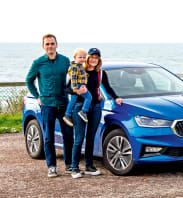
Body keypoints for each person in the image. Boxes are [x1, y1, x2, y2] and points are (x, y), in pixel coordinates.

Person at [69, 48, 122, 178]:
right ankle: (74, 167)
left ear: (99, 59)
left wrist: (116, 97)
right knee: (79, 138)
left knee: (91, 137)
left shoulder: (101, 73)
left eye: (96, 57)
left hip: (96, 107)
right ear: (87, 58)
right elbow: (67, 88)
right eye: (91, 57)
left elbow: (108, 88)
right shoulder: (81, 70)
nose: (94, 59)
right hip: (80, 107)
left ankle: (89, 166)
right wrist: (76, 91)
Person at [25, 34, 73, 178]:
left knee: (68, 135)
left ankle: (69, 165)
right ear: (43, 46)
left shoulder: (65, 61)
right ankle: (51, 166)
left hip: (64, 103)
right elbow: (29, 80)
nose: (50, 46)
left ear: (56, 45)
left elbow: (73, 77)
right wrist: (37, 96)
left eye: (52, 43)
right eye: (47, 44)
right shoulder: (38, 63)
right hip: (47, 105)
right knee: (48, 137)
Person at [63, 48, 92, 126]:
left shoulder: (80, 66)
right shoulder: (75, 67)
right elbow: (74, 78)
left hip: (78, 85)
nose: (82, 59)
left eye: (84, 57)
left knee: (72, 101)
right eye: (80, 57)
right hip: (77, 85)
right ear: (74, 57)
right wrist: (75, 88)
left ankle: (67, 114)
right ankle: (83, 111)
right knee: (89, 97)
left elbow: (82, 75)